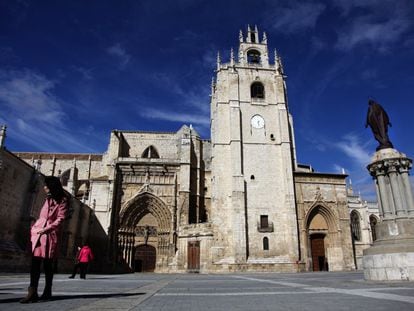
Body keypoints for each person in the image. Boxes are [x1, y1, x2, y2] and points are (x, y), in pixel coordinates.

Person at [20, 176, 68, 303]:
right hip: (39, 234)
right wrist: (35, 228)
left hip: (50, 235)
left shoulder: (62, 200)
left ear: (52, 186)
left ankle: (47, 291)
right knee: (35, 264)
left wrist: (47, 229)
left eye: (46, 185)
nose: (44, 187)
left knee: (48, 265)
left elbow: (61, 218)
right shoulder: (47, 199)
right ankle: (32, 291)